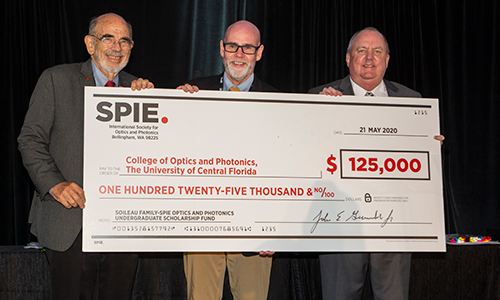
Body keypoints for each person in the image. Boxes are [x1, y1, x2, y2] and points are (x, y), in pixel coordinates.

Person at [17, 13, 152, 299]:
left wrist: (152, 103)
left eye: (124, 40)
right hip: (69, 222)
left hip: (121, 225)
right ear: (90, 44)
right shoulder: (56, 79)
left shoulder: (139, 89)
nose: (117, 47)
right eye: (108, 38)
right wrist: (55, 184)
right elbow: (30, 140)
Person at [309, 27, 444, 300]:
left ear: (387, 60)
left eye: (377, 52)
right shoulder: (321, 97)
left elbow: (418, 168)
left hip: (394, 226)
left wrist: (430, 150)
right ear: (348, 59)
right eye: (361, 51)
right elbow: (306, 157)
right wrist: (315, 116)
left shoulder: (412, 101)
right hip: (339, 227)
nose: (369, 58)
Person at [177, 20, 276, 300]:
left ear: (259, 52)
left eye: (248, 47)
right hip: (201, 224)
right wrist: (175, 112)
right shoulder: (191, 93)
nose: (239, 54)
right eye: (233, 46)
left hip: (255, 228)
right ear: (222, 49)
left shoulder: (280, 102)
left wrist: (279, 228)